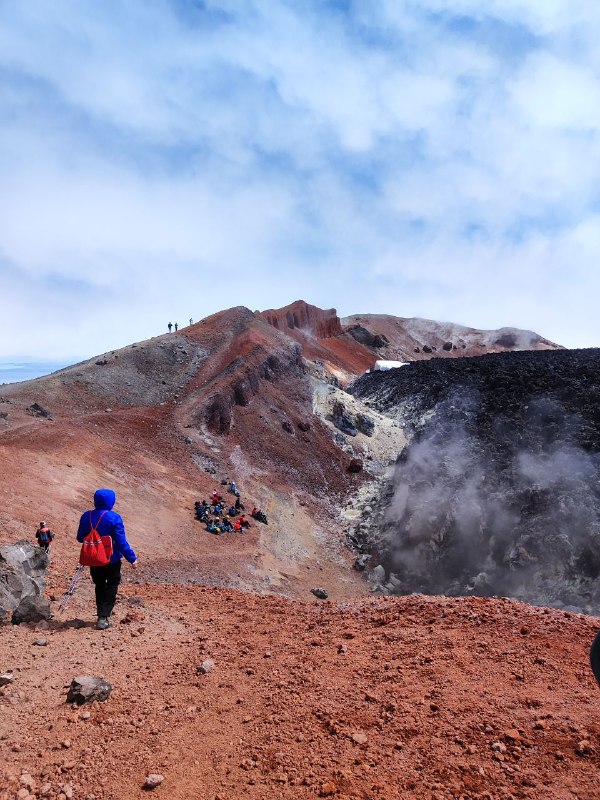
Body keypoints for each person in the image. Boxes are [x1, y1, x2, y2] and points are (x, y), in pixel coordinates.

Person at [76, 489, 137, 630]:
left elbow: (80, 538)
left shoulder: (86, 516)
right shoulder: (114, 518)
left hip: (93, 558)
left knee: (99, 585)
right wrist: (132, 558)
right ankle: (104, 617)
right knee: (112, 584)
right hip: (112, 559)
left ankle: (100, 615)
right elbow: (121, 542)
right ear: (112, 501)